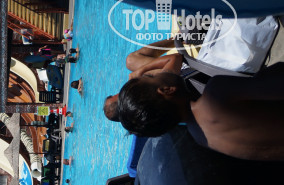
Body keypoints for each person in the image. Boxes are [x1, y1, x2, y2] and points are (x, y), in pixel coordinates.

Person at [117, 59, 284, 161]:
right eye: (152, 76)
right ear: (167, 90)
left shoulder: (200, 137)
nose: (159, 73)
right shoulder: (215, 95)